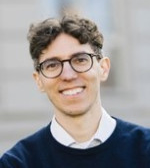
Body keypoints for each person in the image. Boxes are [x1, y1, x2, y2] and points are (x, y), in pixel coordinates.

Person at [0, 14, 150, 168]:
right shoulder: (16, 163)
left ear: (103, 68)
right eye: (52, 65)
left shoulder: (145, 150)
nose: (68, 75)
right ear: (39, 81)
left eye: (80, 60)